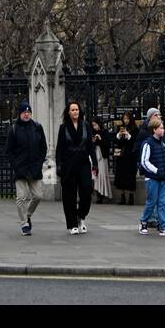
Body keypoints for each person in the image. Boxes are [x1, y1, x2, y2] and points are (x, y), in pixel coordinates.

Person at [4, 101, 48, 234]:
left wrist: (39, 162)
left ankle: (27, 214)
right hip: (20, 168)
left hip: (35, 168)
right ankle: (24, 223)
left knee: (38, 195)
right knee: (21, 198)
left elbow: (43, 147)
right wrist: (15, 165)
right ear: (20, 113)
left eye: (28, 112)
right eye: (24, 112)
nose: (26, 114)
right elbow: (8, 151)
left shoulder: (37, 127)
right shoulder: (14, 129)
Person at [55, 100, 97, 234]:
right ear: (68, 112)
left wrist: (94, 163)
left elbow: (90, 146)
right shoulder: (63, 127)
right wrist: (58, 165)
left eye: (77, 109)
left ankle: (81, 216)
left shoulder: (85, 126)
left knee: (86, 191)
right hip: (68, 164)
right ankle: (72, 224)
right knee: (69, 195)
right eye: (72, 110)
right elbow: (59, 149)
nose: (75, 112)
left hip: (84, 162)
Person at [138, 117, 165, 237]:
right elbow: (144, 161)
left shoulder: (162, 143)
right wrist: (156, 171)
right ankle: (143, 221)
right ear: (154, 129)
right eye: (161, 127)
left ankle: (164, 226)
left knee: (162, 203)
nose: (163, 129)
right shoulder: (147, 143)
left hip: (162, 177)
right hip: (152, 178)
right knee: (151, 201)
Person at [113, 112, 137, 205]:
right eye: (124, 119)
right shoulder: (120, 128)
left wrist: (128, 135)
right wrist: (119, 135)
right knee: (120, 175)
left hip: (130, 155)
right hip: (121, 155)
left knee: (130, 175)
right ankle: (122, 196)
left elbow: (134, 141)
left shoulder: (134, 129)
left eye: (127, 119)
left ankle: (131, 197)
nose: (125, 120)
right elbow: (116, 142)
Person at [90, 118, 114, 204]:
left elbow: (107, 145)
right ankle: (97, 193)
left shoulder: (105, 132)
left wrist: (100, 139)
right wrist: (93, 141)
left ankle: (102, 193)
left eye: (95, 125)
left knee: (102, 174)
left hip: (102, 156)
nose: (94, 127)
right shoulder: (92, 132)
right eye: (93, 125)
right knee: (95, 174)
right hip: (95, 156)